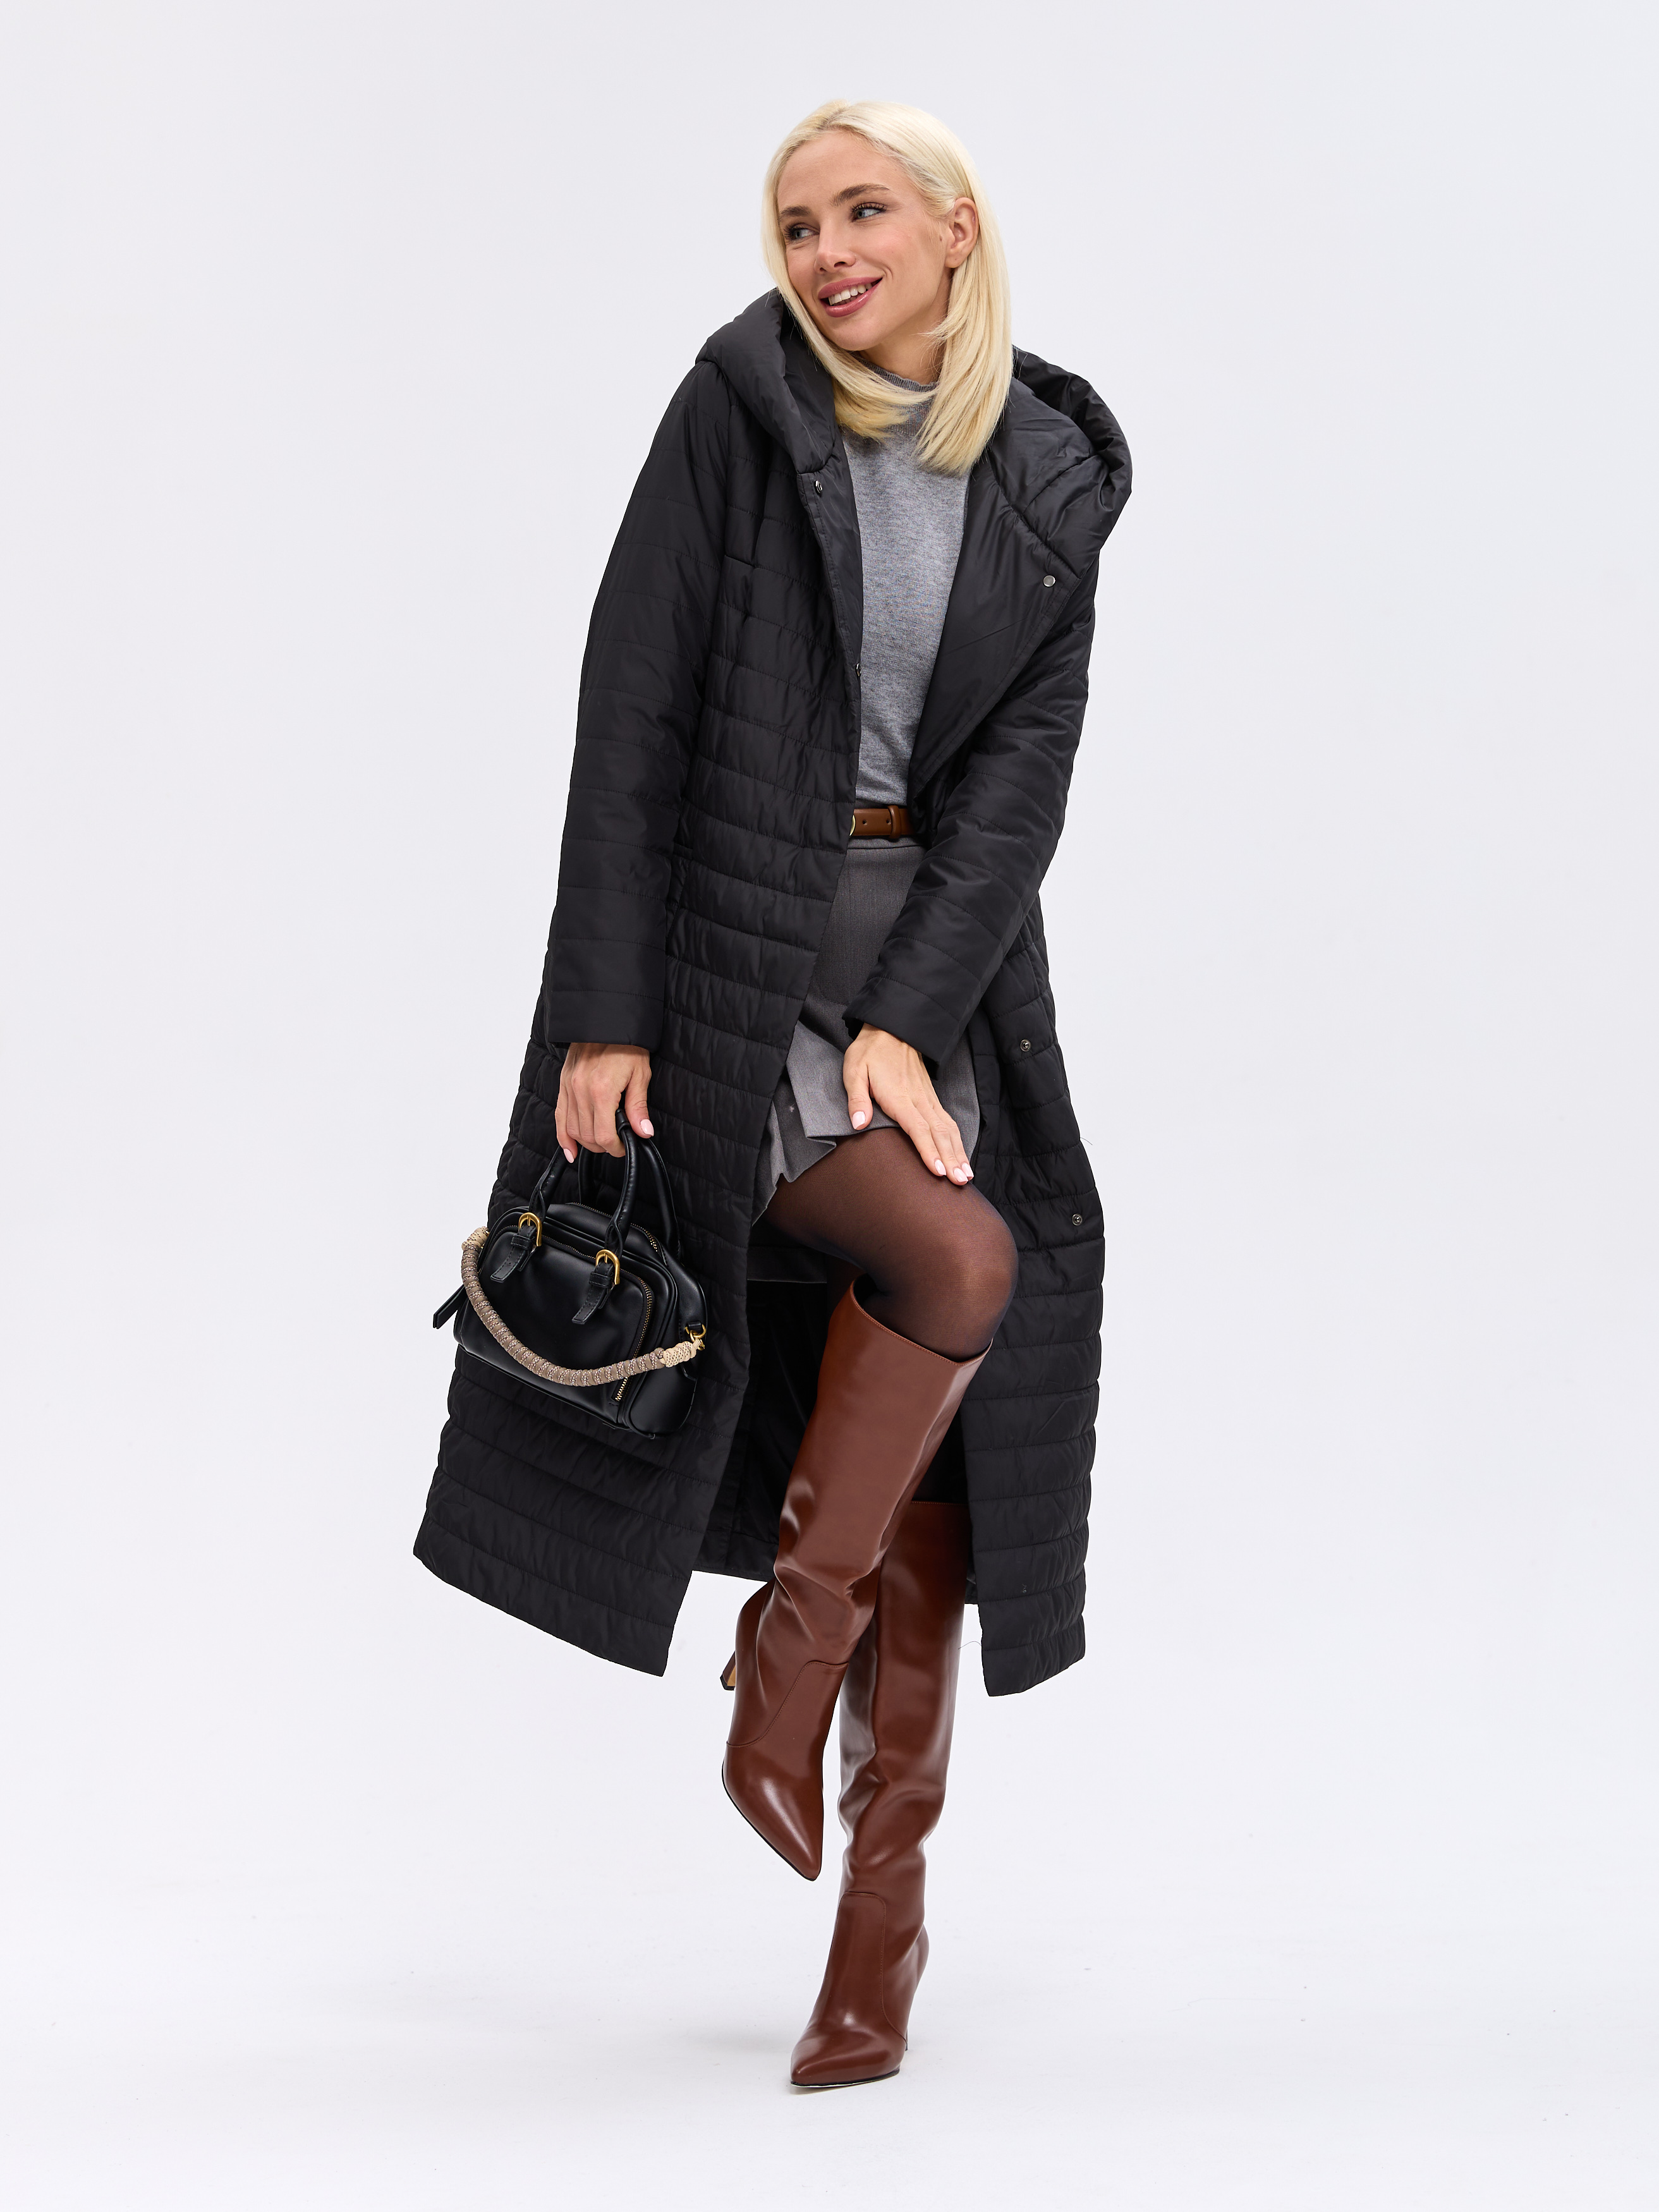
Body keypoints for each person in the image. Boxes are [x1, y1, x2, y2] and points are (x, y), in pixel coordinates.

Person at [416, 97, 1131, 2087]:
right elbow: (629, 709)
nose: (825, 253)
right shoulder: (737, 415)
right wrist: (602, 1012)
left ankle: (877, 1920)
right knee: (956, 1265)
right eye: (797, 223)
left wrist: (908, 1017)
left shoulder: (1045, 481)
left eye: (861, 211)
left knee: (943, 1458)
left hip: (935, 982)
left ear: (955, 226)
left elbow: (1014, 799)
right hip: (733, 972)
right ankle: (790, 1640)